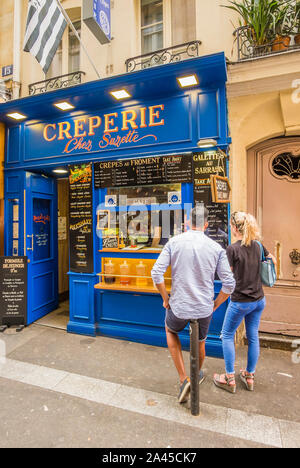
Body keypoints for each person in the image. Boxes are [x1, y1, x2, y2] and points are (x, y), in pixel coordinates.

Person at [151, 206, 235, 404]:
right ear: (206, 225)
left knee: (171, 331)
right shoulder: (216, 248)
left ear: (188, 222)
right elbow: (229, 284)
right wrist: (215, 304)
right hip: (203, 308)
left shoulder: (174, 242)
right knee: (200, 341)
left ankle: (183, 379)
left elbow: (156, 273)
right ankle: (195, 375)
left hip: (179, 306)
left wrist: (165, 299)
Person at [214, 212, 276, 394]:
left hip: (240, 301)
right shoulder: (257, 245)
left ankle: (229, 378)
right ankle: (249, 376)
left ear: (234, 228)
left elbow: (227, 277)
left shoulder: (232, 249)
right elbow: (272, 259)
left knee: (226, 335)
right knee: (253, 336)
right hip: (259, 300)